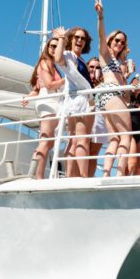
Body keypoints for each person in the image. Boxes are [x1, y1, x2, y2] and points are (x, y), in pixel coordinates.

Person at [94, 0, 131, 176]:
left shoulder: (118, 63)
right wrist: (101, 17)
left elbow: (126, 94)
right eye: (116, 40)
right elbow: (101, 36)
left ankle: (107, 173)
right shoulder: (105, 55)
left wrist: (128, 79)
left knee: (114, 138)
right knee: (126, 135)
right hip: (109, 92)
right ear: (110, 41)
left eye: (122, 42)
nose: (119, 43)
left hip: (108, 96)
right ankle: (120, 174)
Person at [52, 25, 94, 178]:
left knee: (75, 140)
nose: (80, 40)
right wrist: (62, 38)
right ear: (71, 39)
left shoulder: (81, 59)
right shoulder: (69, 54)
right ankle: (83, 176)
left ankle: (72, 175)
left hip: (78, 100)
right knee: (81, 139)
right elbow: (58, 59)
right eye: (77, 37)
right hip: (78, 101)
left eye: (83, 38)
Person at [22, 37, 65, 178]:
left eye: (57, 46)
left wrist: (28, 97)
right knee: (45, 141)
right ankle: (37, 176)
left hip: (50, 101)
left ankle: (37, 174)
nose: (54, 49)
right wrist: (69, 79)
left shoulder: (52, 65)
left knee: (48, 142)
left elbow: (38, 88)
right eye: (52, 46)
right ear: (47, 48)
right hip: (49, 102)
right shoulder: (45, 62)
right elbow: (49, 85)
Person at [127, 78, 140, 176]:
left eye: (139, 84)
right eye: (134, 83)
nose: (137, 85)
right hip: (130, 134)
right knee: (131, 163)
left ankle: (135, 188)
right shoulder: (126, 100)